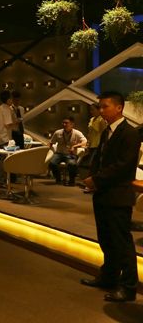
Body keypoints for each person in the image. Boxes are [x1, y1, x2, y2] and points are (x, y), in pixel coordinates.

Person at [81, 91, 140, 302]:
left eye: (105, 106)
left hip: (118, 195)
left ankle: (129, 287)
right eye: (100, 107)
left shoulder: (130, 133)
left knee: (122, 242)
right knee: (106, 239)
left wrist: (96, 179)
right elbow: (100, 159)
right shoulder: (107, 131)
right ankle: (109, 277)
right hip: (103, 193)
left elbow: (123, 166)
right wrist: (92, 179)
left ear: (119, 107)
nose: (101, 110)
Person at [47, 116, 87, 186]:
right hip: (59, 153)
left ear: (72, 124)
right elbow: (51, 142)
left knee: (72, 164)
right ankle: (58, 179)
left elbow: (85, 142)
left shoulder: (77, 133)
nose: (64, 124)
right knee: (52, 163)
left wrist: (74, 146)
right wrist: (47, 149)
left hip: (70, 154)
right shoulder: (58, 132)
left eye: (66, 123)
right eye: (63, 123)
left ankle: (71, 181)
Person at [0, 91, 20, 187]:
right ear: (8, 99)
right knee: (3, 161)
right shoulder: (7, 109)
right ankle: (0, 181)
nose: (12, 100)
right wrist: (17, 122)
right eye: (11, 98)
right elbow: (8, 124)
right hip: (5, 137)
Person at [79, 103, 107, 175]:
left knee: (93, 164)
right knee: (90, 163)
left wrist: (103, 145)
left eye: (93, 109)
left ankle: (93, 178)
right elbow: (90, 133)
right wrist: (88, 144)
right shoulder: (92, 119)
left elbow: (104, 133)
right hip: (91, 145)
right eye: (90, 110)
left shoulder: (101, 120)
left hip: (98, 145)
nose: (91, 111)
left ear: (98, 110)